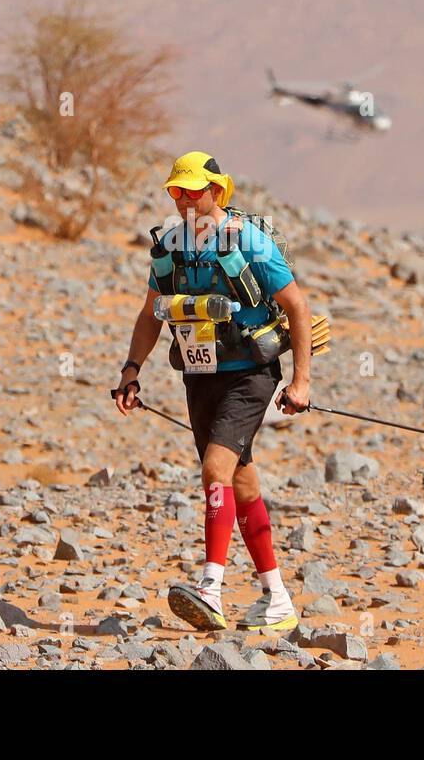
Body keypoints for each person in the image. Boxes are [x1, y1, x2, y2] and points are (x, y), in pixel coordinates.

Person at [113, 151, 313, 633]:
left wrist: (301, 381)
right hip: (199, 375)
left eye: (192, 191)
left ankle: (210, 589)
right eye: (174, 192)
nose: (182, 200)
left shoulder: (249, 241)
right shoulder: (169, 248)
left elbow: (297, 307)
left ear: (216, 191)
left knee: (214, 470)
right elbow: (150, 313)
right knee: (241, 482)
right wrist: (131, 368)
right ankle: (277, 599)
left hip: (251, 375)